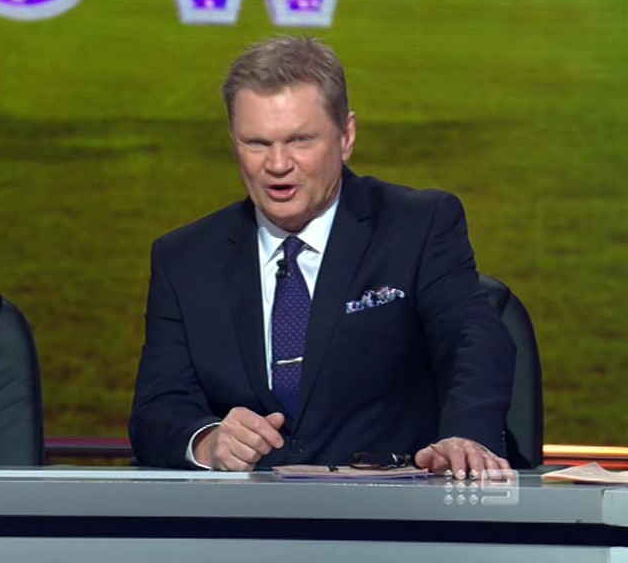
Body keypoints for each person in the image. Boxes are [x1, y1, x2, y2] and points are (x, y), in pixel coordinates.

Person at [129, 36, 515, 478]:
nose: (278, 164)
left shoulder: (417, 226)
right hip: (244, 515)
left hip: (390, 507)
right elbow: (157, 409)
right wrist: (208, 441)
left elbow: (471, 341)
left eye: (300, 140)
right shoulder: (185, 259)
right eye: (256, 143)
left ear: (346, 136)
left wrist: (466, 438)